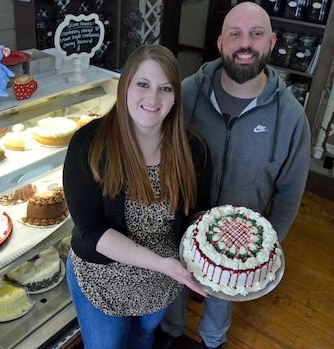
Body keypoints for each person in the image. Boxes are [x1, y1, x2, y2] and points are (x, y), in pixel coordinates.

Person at [158, 2, 311, 349]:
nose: (245, 44)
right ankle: (169, 334)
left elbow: (289, 192)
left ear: (271, 42)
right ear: (220, 43)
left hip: (240, 244)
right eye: (235, 34)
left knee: (222, 294)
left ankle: (213, 341)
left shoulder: (290, 116)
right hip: (180, 223)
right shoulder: (186, 95)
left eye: (256, 34)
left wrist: (267, 247)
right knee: (175, 289)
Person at [62, 44, 212, 349]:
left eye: (165, 88)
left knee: (144, 339)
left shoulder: (193, 148)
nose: (153, 98)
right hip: (102, 281)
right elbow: (92, 230)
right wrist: (162, 264)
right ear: (125, 85)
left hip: (160, 283)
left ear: (175, 98)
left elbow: (196, 214)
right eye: (143, 84)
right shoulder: (89, 145)